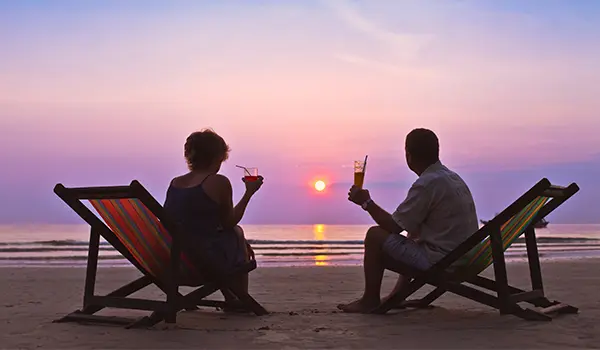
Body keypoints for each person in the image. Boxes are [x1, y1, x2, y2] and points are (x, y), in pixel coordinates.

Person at [338, 128, 478, 313]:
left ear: (409, 156)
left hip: (444, 261)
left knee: (374, 235)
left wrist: (366, 203)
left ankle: (369, 300)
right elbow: (407, 227)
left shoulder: (427, 183)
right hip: (465, 257)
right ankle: (397, 295)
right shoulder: (451, 177)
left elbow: (394, 227)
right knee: (413, 233)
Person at [163, 128, 264, 312]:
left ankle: (231, 296)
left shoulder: (175, 183)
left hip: (174, 262)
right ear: (218, 156)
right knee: (235, 231)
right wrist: (249, 193)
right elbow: (228, 222)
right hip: (203, 264)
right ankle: (237, 298)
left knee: (225, 237)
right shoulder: (218, 182)